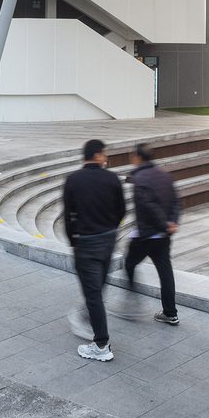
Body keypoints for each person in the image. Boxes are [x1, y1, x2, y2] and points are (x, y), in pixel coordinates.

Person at [62, 138, 127, 361]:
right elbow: (122, 210)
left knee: (93, 295)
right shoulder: (112, 179)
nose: (106, 157)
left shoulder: (73, 180)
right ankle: (91, 320)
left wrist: (74, 241)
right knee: (97, 288)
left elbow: (68, 217)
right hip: (108, 240)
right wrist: (110, 229)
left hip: (86, 243)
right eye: (104, 153)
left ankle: (101, 345)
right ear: (97, 155)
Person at [123, 142, 181, 326]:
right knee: (165, 273)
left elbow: (148, 205)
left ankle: (133, 305)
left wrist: (164, 224)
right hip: (163, 236)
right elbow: (176, 203)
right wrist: (172, 222)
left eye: (132, 156)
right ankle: (170, 313)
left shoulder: (141, 179)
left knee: (129, 264)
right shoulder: (165, 176)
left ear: (138, 158)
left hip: (145, 235)